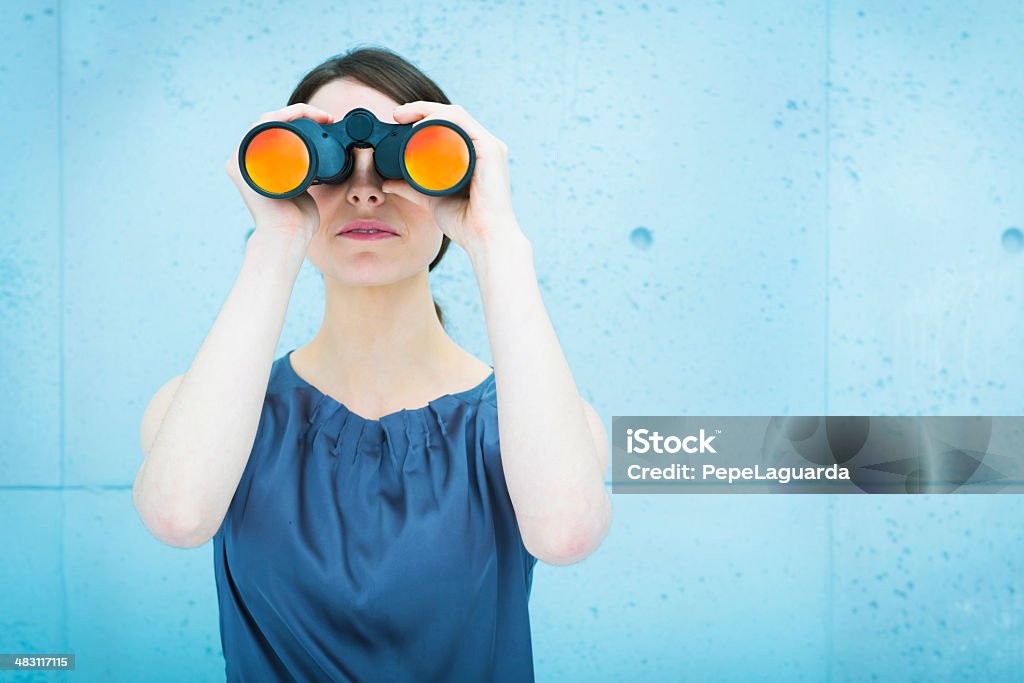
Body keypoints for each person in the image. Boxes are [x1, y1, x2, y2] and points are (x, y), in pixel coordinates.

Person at [132, 46, 611, 682]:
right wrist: (277, 237)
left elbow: (566, 534)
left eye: (403, 159)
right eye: (327, 162)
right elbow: (179, 517)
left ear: (458, 174)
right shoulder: (204, 415)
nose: (364, 191)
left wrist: (498, 240)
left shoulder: (536, 425)